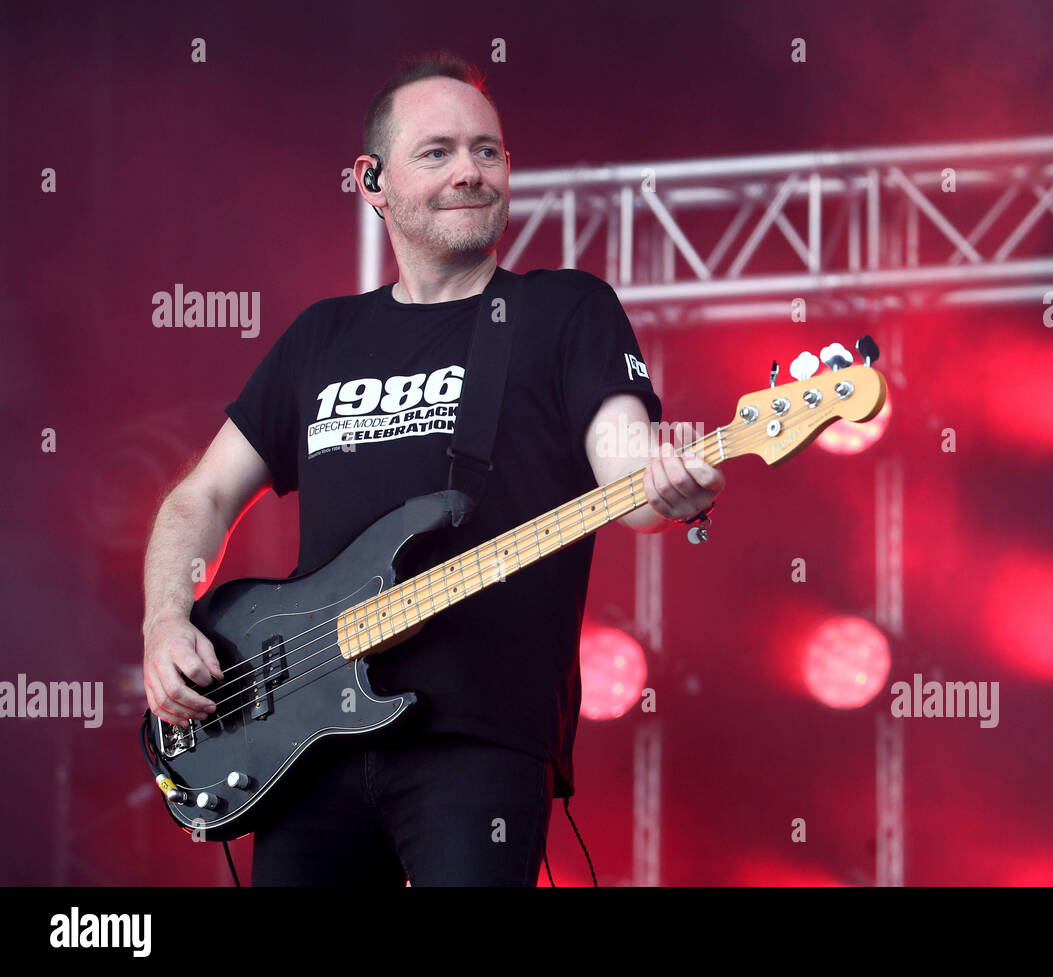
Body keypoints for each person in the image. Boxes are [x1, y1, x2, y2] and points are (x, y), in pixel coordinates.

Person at [140, 51, 724, 886]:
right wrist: (166, 622)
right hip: (301, 744)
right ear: (370, 181)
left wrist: (672, 485)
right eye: (438, 151)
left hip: (476, 743)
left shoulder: (564, 309)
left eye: (488, 151)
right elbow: (198, 495)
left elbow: (627, 474)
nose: (471, 172)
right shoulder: (322, 335)